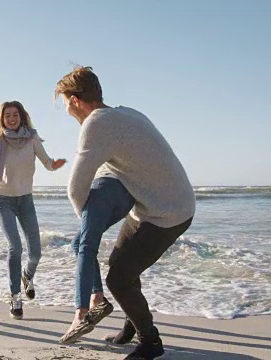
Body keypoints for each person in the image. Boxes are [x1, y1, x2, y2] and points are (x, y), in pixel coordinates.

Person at [55, 66, 195, 360]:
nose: (65, 108)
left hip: (168, 211)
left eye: (65, 101)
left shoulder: (96, 123)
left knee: (118, 279)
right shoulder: (127, 112)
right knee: (121, 265)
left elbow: (76, 185)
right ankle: (132, 327)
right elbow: (115, 165)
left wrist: (87, 226)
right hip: (154, 203)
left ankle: (150, 342)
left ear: (75, 100)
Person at [0, 100, 67, 319]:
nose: (11, 118)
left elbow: (47, 162)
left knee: (36, 253)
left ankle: (27, 277)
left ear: (21, 117)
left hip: (25, 200)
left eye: (15, 115)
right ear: (2, 119)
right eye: (7, 115)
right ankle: (15, 297)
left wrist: (54, 165)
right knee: (15, 247)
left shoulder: (32, 138)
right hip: (3, 201)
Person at [63, 171, 135, 343]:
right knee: (78, 243)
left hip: (103, 187)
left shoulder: (97, 143)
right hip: (127, 195)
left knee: (86, 246)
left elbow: (82, 168)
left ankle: (81, 313)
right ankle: (98, 296)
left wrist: (82, 210)